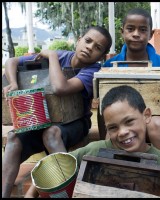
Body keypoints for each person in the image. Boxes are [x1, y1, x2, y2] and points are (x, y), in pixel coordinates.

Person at [2, 25, 112, 198]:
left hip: (75, 123)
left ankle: (68, 192)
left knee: (51, 133)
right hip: (43, 120)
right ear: (79, 40)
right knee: (13, 137)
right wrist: (14, 83)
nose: (90, 47)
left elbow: (60, 88)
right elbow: (11, 61)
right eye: (88, 41)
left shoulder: (92, 71)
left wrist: (52, 56)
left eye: (97, 47)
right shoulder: (64, 55)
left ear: (102, 56)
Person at [25, 85, 160, 198]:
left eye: (129, 121)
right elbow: (53, 166)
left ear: (146, 115)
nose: (123, 132)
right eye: (113, 127)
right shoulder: (92, 151)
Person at [98, 8, 160, 172]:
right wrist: (104, 140)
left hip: (152, 123)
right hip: (122, 123)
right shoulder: (110, 65)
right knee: (111, 132)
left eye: (142, 30)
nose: (136, 34)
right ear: (122, 31)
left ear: (150, 34)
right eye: (130, 29)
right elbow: (103, 104)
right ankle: (114, 168)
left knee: (157, 123)